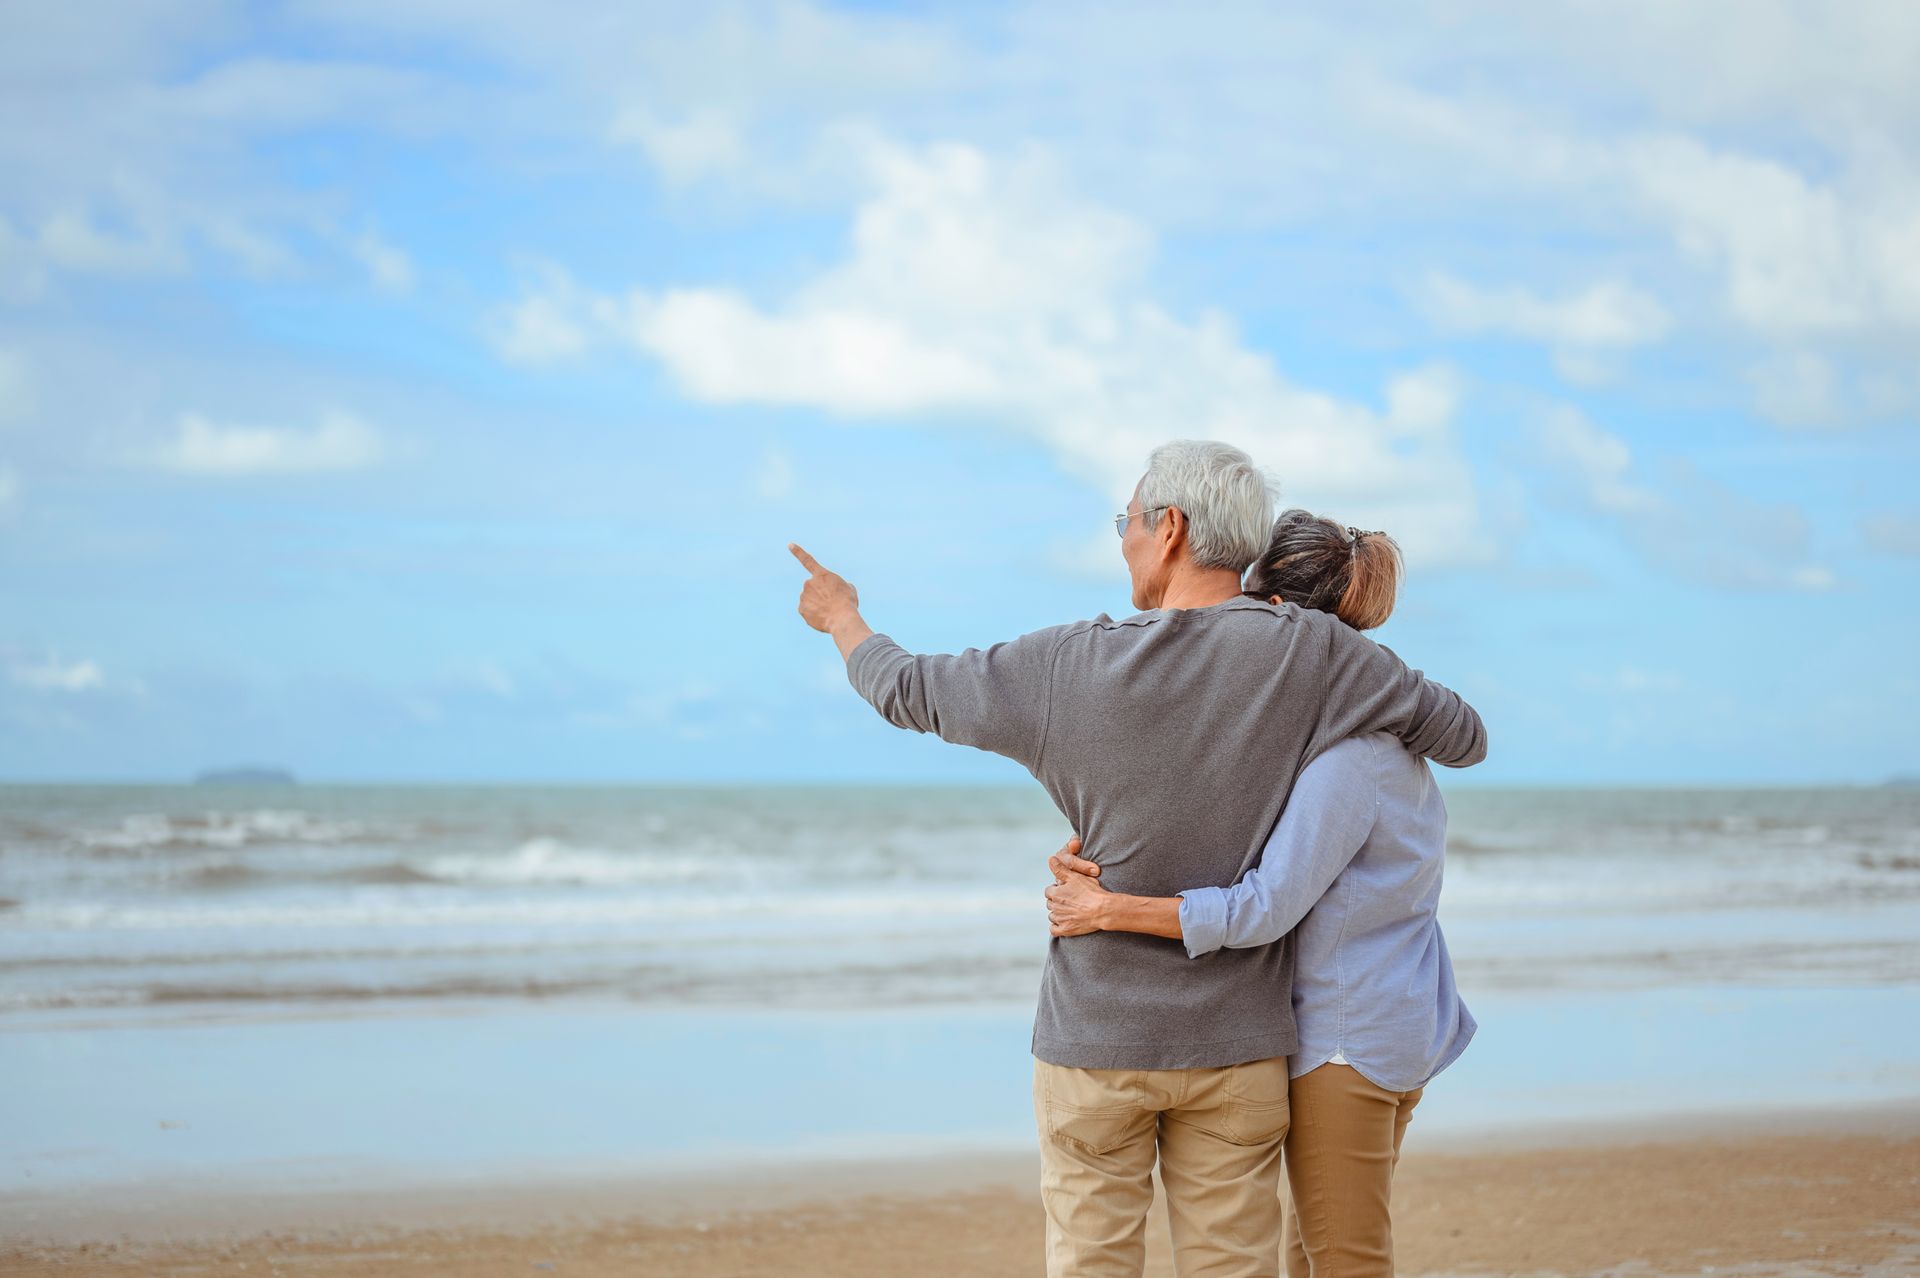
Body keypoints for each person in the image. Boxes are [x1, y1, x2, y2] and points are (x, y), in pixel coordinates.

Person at [791, 440, 1486, 1278]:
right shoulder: (1318, 654)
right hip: (1238, 1045)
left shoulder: (1062, 666)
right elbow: (1459, 733)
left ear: (1170, 529)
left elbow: (905, 689)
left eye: (1125, 519)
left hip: (1097, 1038)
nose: (1121, 536)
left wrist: (843, 617)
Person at [1042, 509, 1476, 1278]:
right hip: (1389, 1024)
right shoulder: (1390, 741)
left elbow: (1264, 906)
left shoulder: (1347, 763)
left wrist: (1109, 908)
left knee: (1344, 1260)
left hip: (1344, 1042)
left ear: (1279, 623)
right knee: (1310, 1254)